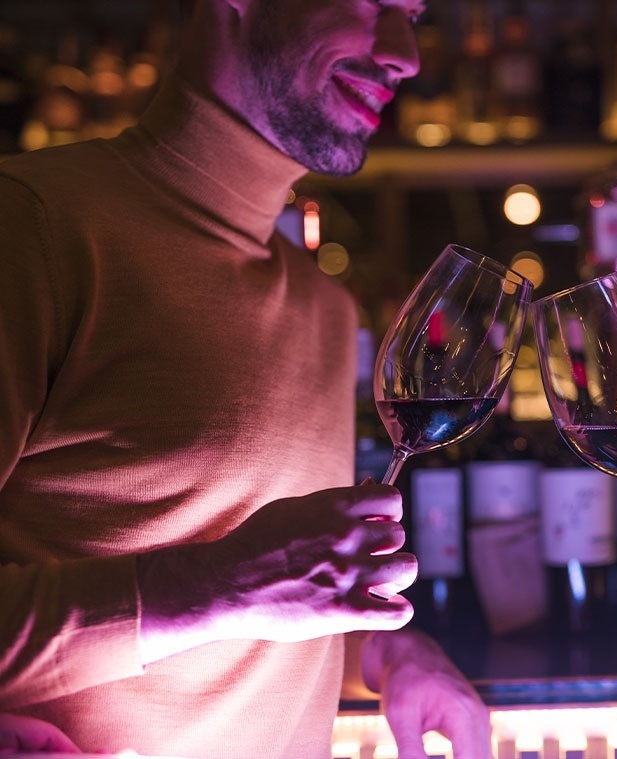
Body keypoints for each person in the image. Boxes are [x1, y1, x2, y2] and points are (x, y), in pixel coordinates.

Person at [0, 0, 492, 757]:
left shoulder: (327, 309)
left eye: (415, 15)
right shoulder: (30, 226)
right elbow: (242, 588)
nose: (406, 53)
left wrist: (384, 654)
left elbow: (267, 619)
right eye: (375, 4)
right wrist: (219, 584)